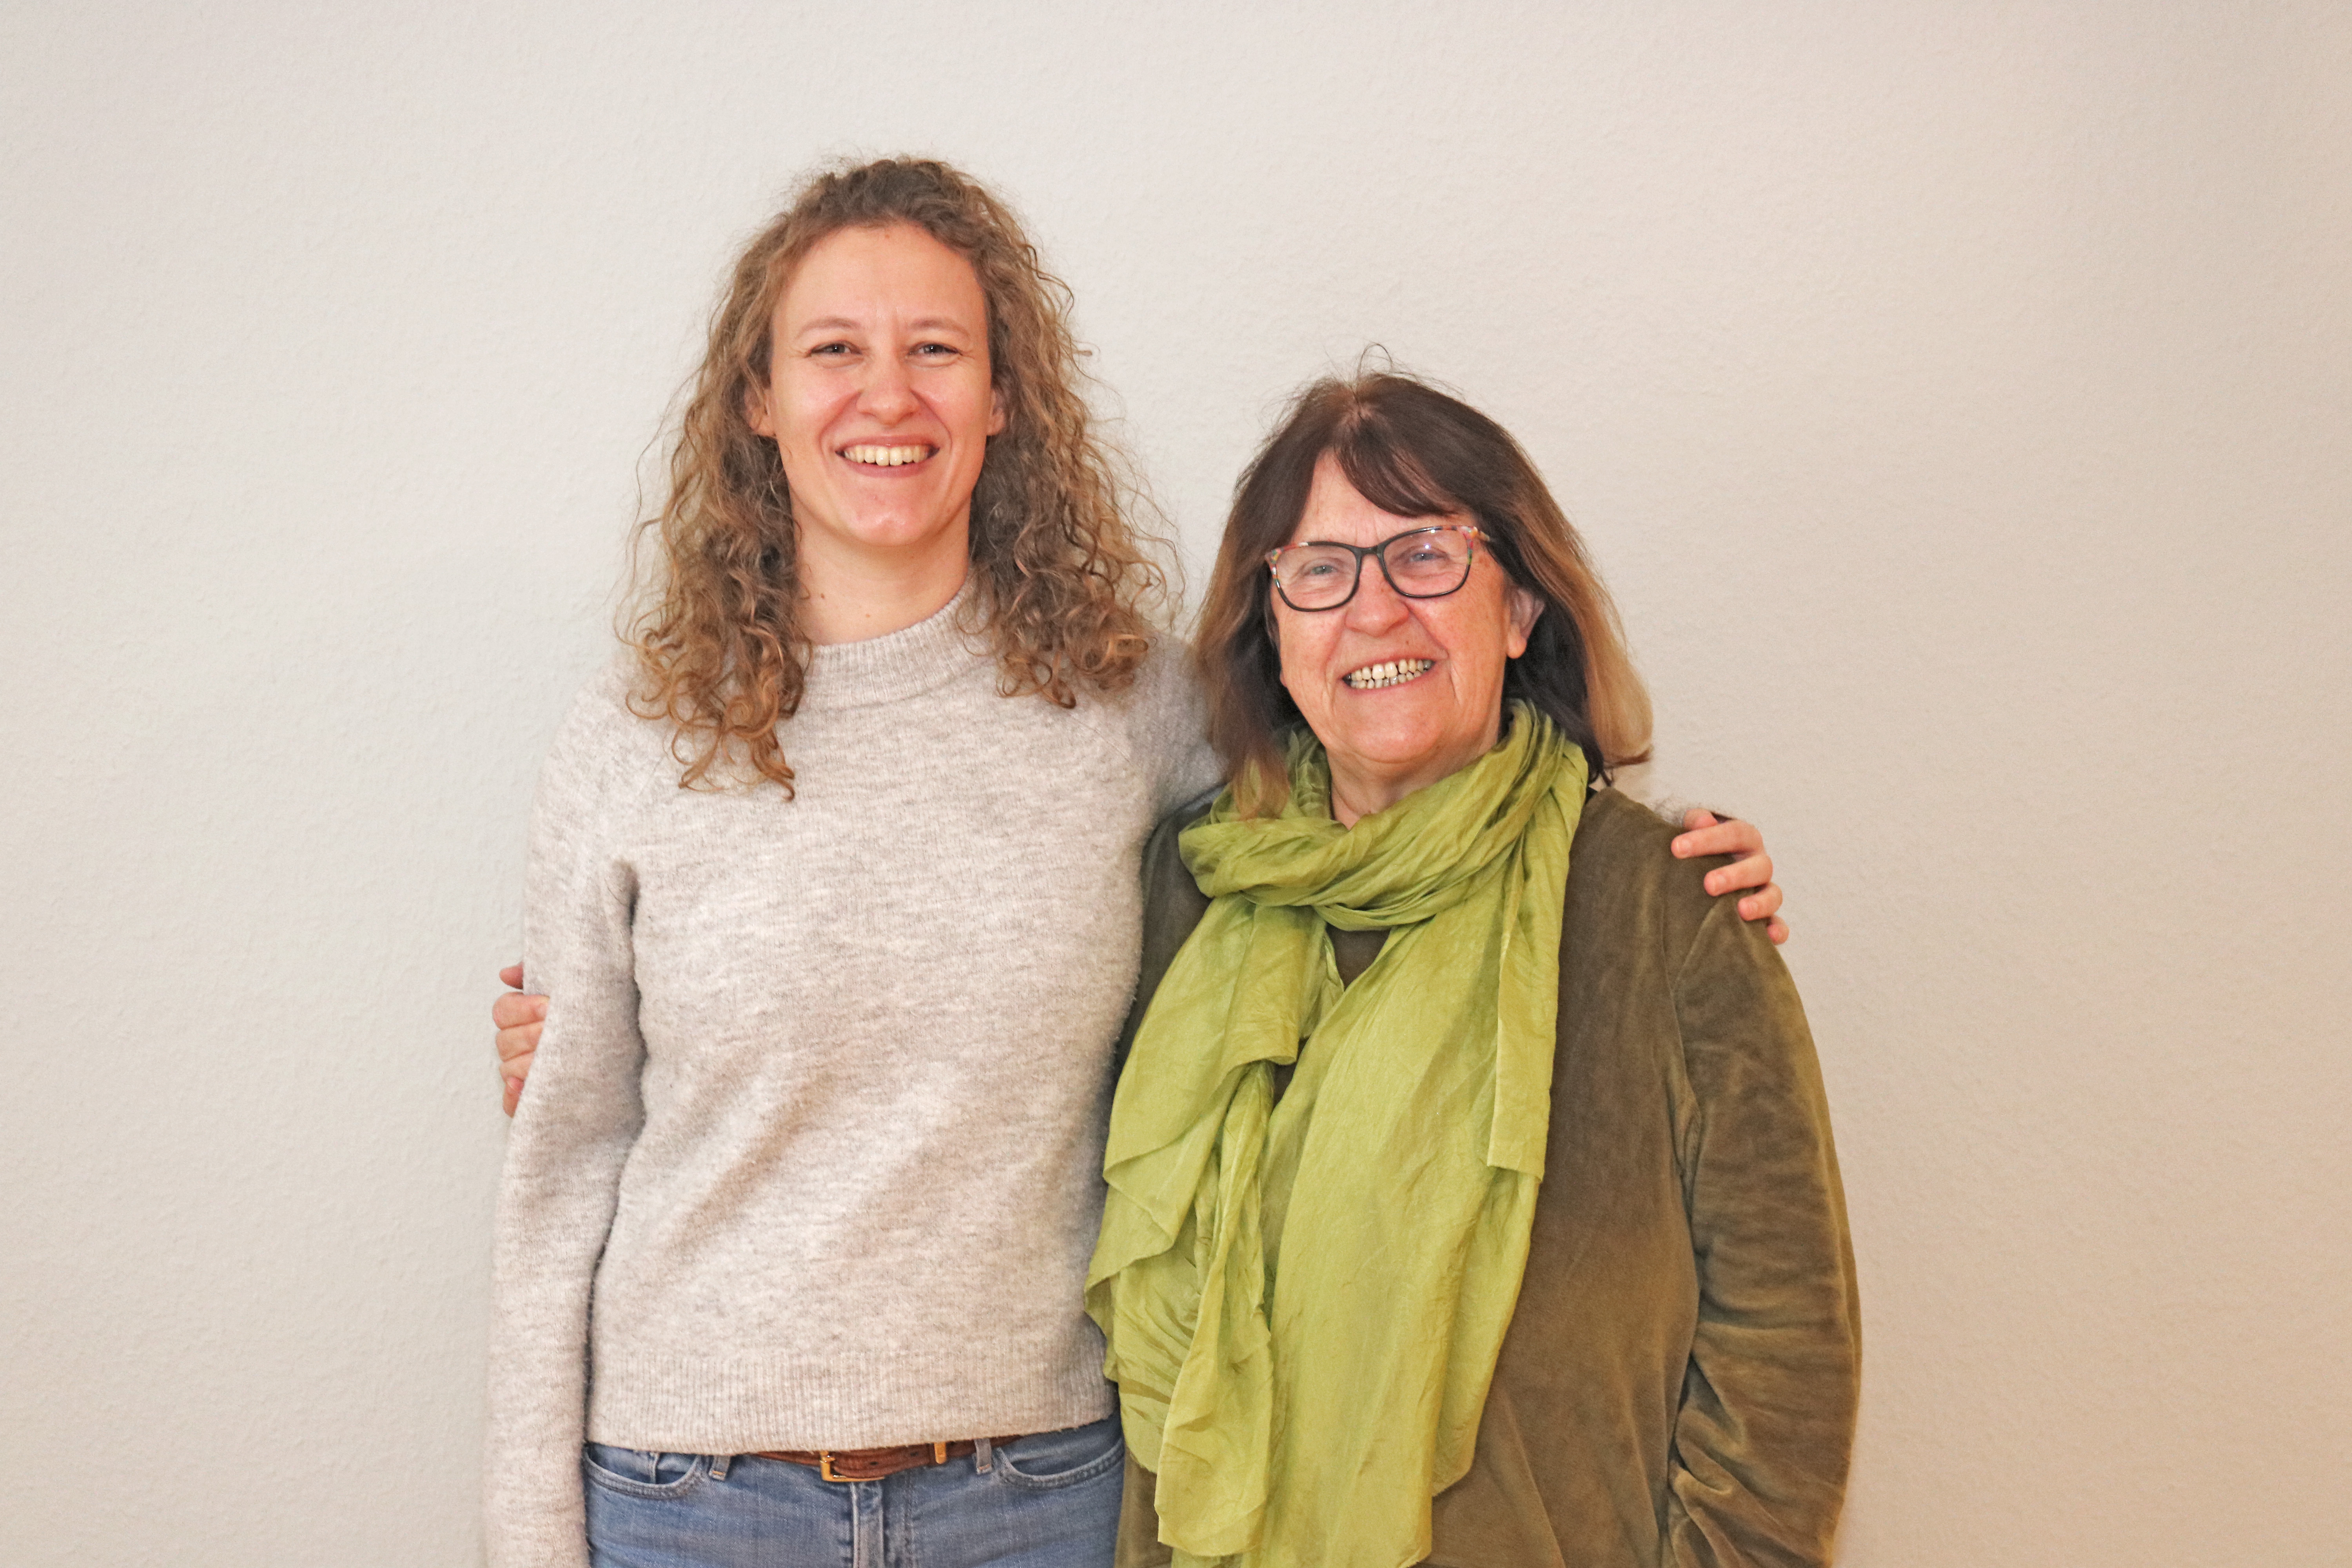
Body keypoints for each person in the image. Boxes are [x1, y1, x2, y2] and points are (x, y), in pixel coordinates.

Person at [487, 155, 1792, 1568]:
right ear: (759, 399)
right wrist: (529, 1537)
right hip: (692, 1502)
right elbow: (564, 1175)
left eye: (938, 350)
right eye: (833, 351)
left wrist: (1671, 881)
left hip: (1036, 1493)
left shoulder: (1132, 716)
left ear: (1001, 400)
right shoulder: (632, 741)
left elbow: (1395, 822)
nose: (888, 395)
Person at [1089, 372, 1858, 1568]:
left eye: (1427, 556)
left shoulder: (1662, 903)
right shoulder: (1189, 896)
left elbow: (1787, 1344)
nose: (1376, 610)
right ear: (1273, 631)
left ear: (1519, 608)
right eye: (1322, 571)